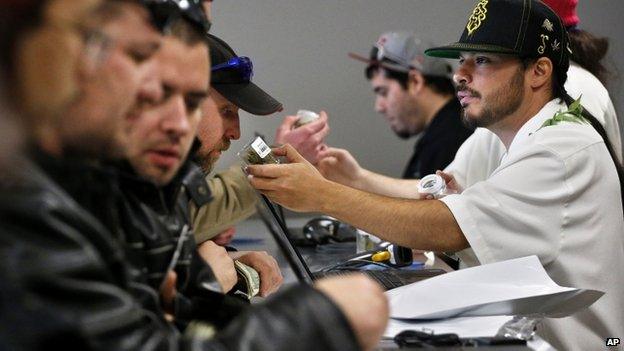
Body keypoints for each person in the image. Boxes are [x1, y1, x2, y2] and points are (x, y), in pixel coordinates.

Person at [0, 1, 389, 350]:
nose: (175, 124)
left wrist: (217, 280)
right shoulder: (35, 205)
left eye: (187, 102)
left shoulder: (120, 187)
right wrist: (319, 320)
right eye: (150, 92)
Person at [246, 1, 624, 349]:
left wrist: (324, 195)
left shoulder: (561, 149)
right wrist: (352, 181)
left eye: (481, 61)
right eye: (461, 60)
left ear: (539, 71)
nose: (459, 75)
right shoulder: (507, 132)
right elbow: (436, 200)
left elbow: (445, 225)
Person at [348, 31, 473, 179]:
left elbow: (428, 202)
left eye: (383, 92)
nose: (379, 107)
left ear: (415, 81)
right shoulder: (443, 133)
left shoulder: (451, 141)